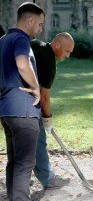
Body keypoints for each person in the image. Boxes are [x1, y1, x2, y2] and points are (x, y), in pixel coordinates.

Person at [0, 2, 49, 201]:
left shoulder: (2, 41)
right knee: (24, 164)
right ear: (29, 20)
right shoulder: (20, 40)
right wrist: (37, 87)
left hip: (7, 110)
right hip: (23, 110)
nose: (39, 29)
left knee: (15, 162)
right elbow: (22, 64)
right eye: (39, 24)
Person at [30, 32, 74, 190]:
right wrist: (47, 118)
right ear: (57, 45)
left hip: (8, 98)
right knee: (38, 140)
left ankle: (19, 179)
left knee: (19, 141)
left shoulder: (36, 44)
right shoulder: (49, 61)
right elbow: (44, 96)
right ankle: (48, 180)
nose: (68, 56)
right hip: (26, 103)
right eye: (67, 51)